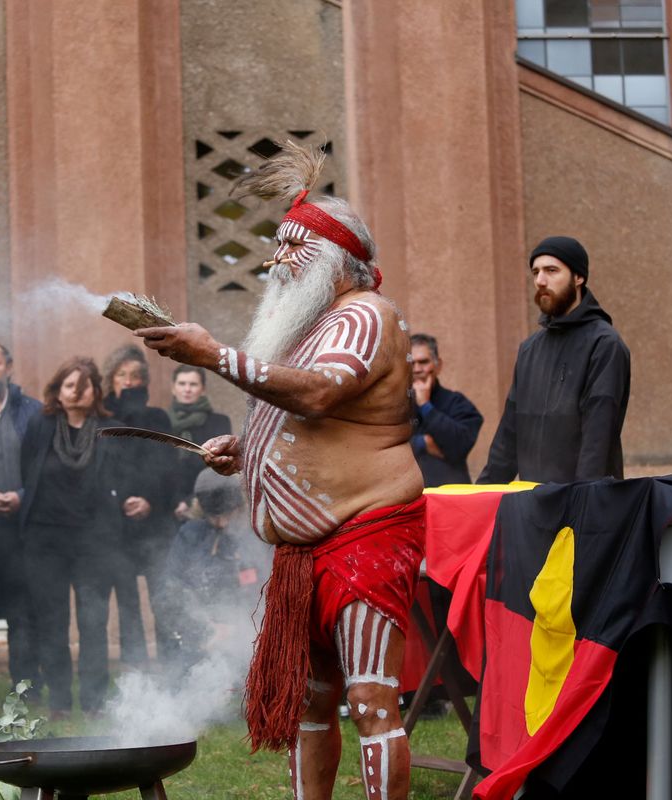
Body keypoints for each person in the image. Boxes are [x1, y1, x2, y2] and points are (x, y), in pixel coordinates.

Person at [136, 140, 426, 800]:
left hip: (367, 533)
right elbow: (311, 419)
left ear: (336, 260)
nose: (277, 260)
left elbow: (321, 394)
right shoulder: (313, 325)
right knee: (308, 706)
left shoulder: (365, 316)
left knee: (373, 702)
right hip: (305, 552)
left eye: (295, 247)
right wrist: (245, 450)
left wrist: (213, 356)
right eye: (279, 245)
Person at [18, 357, 138, 718]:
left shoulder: (110, 429)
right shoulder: (40, 426)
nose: (75, 392)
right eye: (68, 385)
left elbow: (123, 477)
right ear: (57, 390)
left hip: (94, 542)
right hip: (46, 541)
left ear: (95, 392)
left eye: (83, 386)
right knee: (52, 623)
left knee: (93, 622)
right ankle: (58, 701)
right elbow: (27, 470)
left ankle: (94, 700)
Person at [478, 236, 631, 484]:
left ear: (578, 277)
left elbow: (598, 442)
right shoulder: (529, 350)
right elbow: (508, 437)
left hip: (584, 509)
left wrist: (580, 509)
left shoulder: (604, 344)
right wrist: (480, 501)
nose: (540, 281)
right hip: (533, 507)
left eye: (551, 271)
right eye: (535, 272)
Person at [0, 341, 42, 694]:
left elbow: (43, 469)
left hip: (21, 526)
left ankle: (25, 687)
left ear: (8, 367)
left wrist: (20, 497)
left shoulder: (33, 411)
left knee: (21, 610)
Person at [159, 470, 270, 676]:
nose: (222, 523)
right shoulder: (189, 535)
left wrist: (236, 628)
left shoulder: (257, 537)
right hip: (200, 636)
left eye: (227, 515)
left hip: (249, 635)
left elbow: (268, 592)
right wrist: (205, 628)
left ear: (239, 508)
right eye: (214, 517)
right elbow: (170, 589)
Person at [102, 345, 174, 665]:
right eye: (121, 375)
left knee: (164, 599)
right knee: (127, 603)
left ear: (144, 381)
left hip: (154, 523)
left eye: (135, 376)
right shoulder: (101, 418)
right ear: (111, 380)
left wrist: (150, 501)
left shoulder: (158, 418)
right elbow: (100, 471)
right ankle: (136, 672)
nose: (128, 382)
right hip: (115, 528)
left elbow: (167, 468)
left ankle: (170, 670)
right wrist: (119, 502)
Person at [408, 333, 483, 486]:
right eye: (411, 363)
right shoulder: (394, 406)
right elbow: (380, 445)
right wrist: (422, 443)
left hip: (450, 498)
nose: (416, 369)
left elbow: (459, 446)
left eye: (423, 362)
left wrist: (425, 406)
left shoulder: (457, 403)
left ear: (438, 365)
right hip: (407, 500)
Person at [166, 364, 232, 519]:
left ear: (203, 389)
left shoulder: (218, 422)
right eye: (182, 383)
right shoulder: (162, 421)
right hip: (166, 506)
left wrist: (191, 502)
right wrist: (176, 501)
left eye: (193, 384)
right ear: (173, 388)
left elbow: (217, 468)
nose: (187, 389)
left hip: (205, 506)